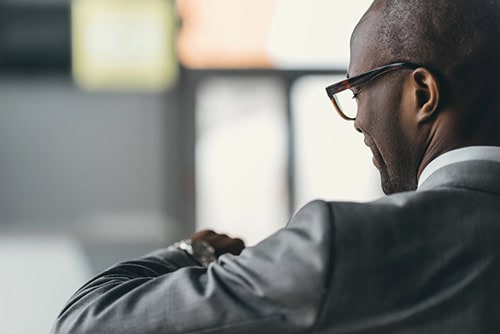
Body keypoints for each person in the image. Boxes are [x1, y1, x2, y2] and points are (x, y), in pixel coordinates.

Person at [52, 0, 500, 333]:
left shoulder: (342, 245)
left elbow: (87, 322)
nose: (358, 120)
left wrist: (192, 253)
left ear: (421, 94)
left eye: (357, 90)